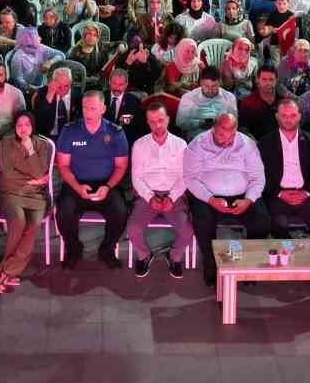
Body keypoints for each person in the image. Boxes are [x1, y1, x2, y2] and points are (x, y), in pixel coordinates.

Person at [184, 112, 270, 286]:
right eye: (221, 135)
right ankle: (210, 264)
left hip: (242, 195)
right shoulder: (197, 144)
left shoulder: (247, 144)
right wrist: (210, 199)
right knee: (202, 220)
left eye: (231, 136)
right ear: (213, 129)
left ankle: (249, 264)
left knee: (262, 220)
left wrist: (248, 200)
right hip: (208, 195)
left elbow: (258, 178)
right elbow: (190, 178)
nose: (226, 142)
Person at [54, 90, 130, 269]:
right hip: (76, 184)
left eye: (93, 108)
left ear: (103, 108)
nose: (88, 113)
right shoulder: (70, 131)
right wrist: (77, 187)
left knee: (120, 212)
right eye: (85, 108)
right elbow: (63, 166)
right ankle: (74, 249)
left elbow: (121, 167)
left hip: (106, 184)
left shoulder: (115, 132)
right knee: (64, 213)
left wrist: (108, 186)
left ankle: (107, 249)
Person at [126, 101, 192, 279]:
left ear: (168, 119)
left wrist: (172, 197)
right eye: (153, 122)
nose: (157, 125)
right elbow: (136, 177)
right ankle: (144, 255)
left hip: (174, 194)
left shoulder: (180, 144)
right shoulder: (140, 145)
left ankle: (174, 256)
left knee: (187, 232)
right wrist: (150, 197)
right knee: (133, 230)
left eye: (161, 120)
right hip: (147, 194)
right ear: (148, 123)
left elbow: (184, 176)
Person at [0, 112, 54, 294]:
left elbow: (40, 172)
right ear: (14, 127)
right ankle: (8, 273)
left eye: (27, 124)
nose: (23, 128)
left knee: (33, 225)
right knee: (19, 222)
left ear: (32, 126)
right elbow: (7, 173)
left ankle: (5, 271)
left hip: (36, 196)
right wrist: (32, 180)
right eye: (19, 125)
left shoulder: (41, 144)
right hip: (12, 193)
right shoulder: (6, 142)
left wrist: (30, 150)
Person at [258, 99, 310, 239]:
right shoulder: (265, 143)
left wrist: (306, 192)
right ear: (277, 116)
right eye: (284, 115)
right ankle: (288, 252)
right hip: (277, 195)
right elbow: (262, 176)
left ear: (299, 116)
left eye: (293, 115)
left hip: (305, 194)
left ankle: (307, 252)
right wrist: (280, 193)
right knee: (278, 226)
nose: (288, 120)